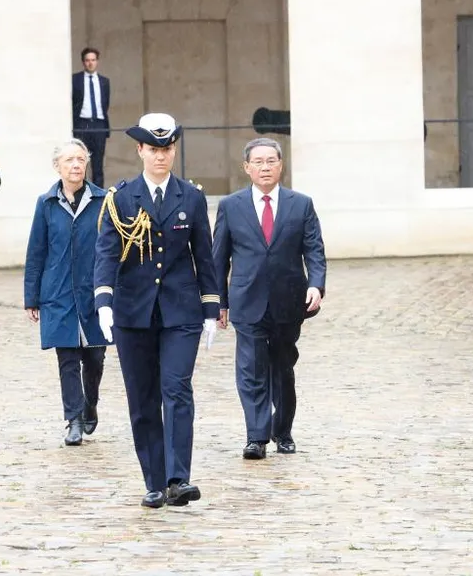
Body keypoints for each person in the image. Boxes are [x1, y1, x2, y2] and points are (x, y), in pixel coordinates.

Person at [93, 113, 219, 509]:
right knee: (143, 396)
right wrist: (103, 302)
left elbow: (205, 256)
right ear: (140, 150)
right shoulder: (121, 198)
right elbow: (107, 254)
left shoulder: (192, 197)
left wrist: (212, 308)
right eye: (153, 149)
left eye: (166, 149)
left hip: (181, 311)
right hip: (134, 312)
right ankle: (154, 480)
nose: (160, 156)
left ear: (174, 151)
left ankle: (178, 477)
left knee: (176, 389)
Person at [212, 137, 326, 459]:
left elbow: (314, 250)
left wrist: (316, 285)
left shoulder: (300, 204)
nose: (265, 167)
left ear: (281, 165)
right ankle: (256, 437)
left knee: (282, 368)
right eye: (258, 162)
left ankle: (283, 430)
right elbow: (218, 258)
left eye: (271, 161)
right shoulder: (231, 207)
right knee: (250, 368)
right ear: (246, 167)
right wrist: (218, 301)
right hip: (247, 301)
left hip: (288, 301)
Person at [24, 140, 108, 446]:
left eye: (81, 159)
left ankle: (90, 402)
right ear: (57, 166)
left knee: (95, 357)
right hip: (58, 292)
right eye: (70, 160)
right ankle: (73, 418)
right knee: (67, 358)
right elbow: (37, 252)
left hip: (93, 291)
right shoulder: (46, 203)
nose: (76, 165)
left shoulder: (103, 201)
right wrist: (31, 298)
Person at [71, 47, 111, 187]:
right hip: (82, 124)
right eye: (87, 60)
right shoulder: (75, 80)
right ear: (83, 62)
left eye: (93, 60)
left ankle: (99, 196)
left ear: (97, 62)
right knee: (81, 162)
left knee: (98, 164)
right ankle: (83, 193)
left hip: (99, 124)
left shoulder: (104, 81)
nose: (90, 63)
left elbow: (105, 103)